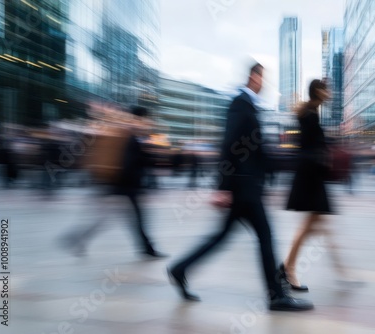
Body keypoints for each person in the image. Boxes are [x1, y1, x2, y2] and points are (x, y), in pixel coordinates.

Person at [168, 63, 313, 311]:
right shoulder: (240, 103)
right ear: (253, 77)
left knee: (223, 237)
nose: (264, 83)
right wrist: (223, 186)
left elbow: (257, 151)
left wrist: (287, 164)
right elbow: (229, 145)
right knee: (265, 237)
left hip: (244, 186)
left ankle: (180, 269)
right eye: (262, 78)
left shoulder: (248, 106)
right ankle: (276, 296)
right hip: (242, 187)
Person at [60, 106, 166, 258]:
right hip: (124, 185)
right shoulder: (128, 135)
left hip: (117, 185)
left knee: (114, 217)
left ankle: (78, 238)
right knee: (131, 217)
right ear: (140, 118)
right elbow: (129, 162)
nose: (148, 122)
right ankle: (147, 249)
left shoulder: (126, 133)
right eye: (146, 118)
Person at [282, 79, 351, 291]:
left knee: (318, 226)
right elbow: (308, 149)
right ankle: (288, 269)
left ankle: (341, 271)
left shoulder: (311, 113)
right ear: (318, 92)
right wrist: (326, 156)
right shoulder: (310, 115)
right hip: (311, 178)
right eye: (326, 89)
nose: (329, 93)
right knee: (309, 227)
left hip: (312, 177)